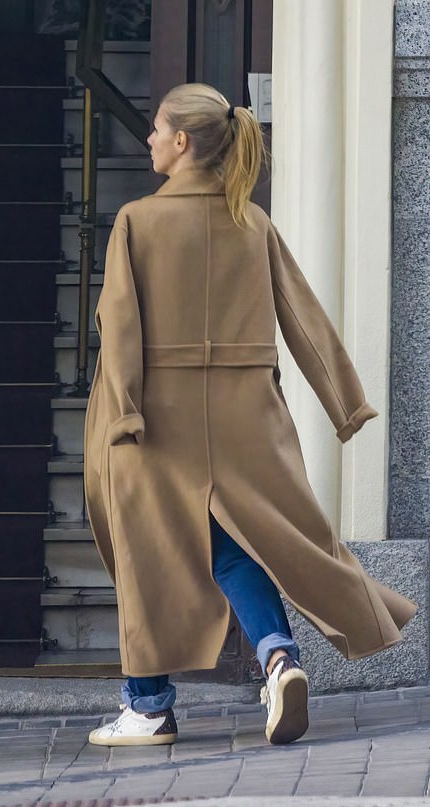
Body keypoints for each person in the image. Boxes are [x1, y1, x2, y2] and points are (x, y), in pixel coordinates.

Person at [83, 83, 417, 748]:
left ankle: (148, 706)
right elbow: (303, 317)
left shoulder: (137, 222)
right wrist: (344, 404)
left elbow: (118, 326)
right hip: (246, 414)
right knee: (234, 549)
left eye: (155, 129)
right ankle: (278, 659)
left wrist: (121, 414)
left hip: (156, 418)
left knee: (146, 551)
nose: (148, 139)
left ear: (181, 142)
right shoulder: (252, 223)